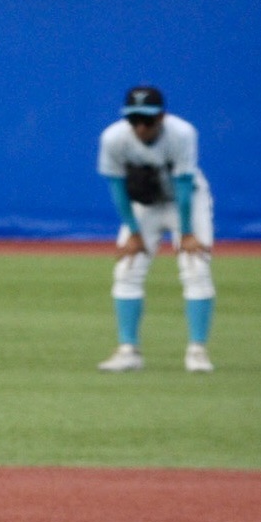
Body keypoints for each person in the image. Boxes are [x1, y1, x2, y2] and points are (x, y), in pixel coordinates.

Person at [95, 85, 217, 374]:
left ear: (162, 117)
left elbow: (184, 185)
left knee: (196, 266)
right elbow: (117, 188)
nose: (140, 127)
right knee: (127, 267)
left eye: (147, 120)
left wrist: (186, 233)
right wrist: (134, 233)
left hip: (185, 201)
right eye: (134, 119)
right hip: (145, 205)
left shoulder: (182, 133)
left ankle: (197, 351)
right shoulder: (113, 138)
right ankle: (128, 351)